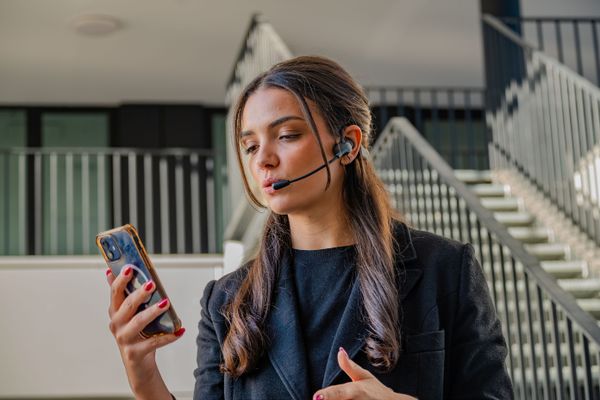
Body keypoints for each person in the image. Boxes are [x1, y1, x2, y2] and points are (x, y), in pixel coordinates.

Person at [105, 55, 514, 400]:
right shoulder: (226, 301)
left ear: (348, 144)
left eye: (286, 135)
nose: (262, 160)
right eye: (250, 146)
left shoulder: (446, 268)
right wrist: (144, 378)